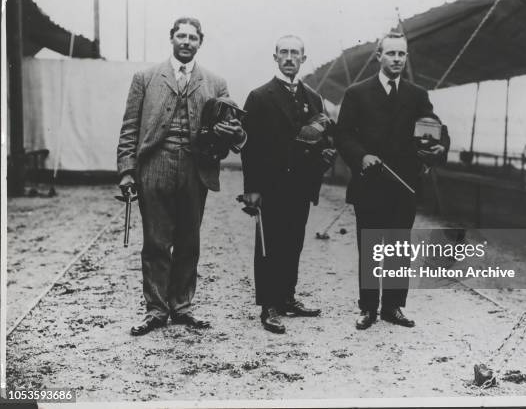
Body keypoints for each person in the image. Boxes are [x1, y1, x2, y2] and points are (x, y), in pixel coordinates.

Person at [117, 17, 245, 336]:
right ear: (171, 38)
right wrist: (126, 171)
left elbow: (227, 132)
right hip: (155, 165)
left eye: (193, 37)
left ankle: (182, 306)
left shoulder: (215, 83)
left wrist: (227, 133)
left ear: (201, 42)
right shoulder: (145, 78)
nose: (186, 41)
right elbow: (130, 127)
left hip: (194, 167)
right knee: (156, 241)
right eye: (181, 36)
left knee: (189, 240)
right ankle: (156, 310)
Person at [335, 32, 447, 330]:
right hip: (369, 185)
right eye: (391, 54)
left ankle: (393, 307)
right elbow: (342, 135)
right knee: (371, 248)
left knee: (398, 248)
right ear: (379, 56)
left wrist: (440, 146)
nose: (397, 59)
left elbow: (435, 127)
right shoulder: (357, 93)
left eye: (402, 54)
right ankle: (369, 308)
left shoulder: (416, 94)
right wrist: (362, 157)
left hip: (404, 187)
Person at [240, 35, 335, 334]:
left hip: (300, 186)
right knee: (269, 246)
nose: (290, 57)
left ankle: (287, 298)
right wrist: (252, 189)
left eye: (295, 53)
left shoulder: (314, 98)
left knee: (293, 242)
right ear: (275, 57)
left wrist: (324, 160)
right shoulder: (259, 96)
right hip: (270, 186)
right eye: (284, 52)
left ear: (304, 58)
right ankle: (268, 306)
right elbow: (249, 147)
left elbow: (323, 142)